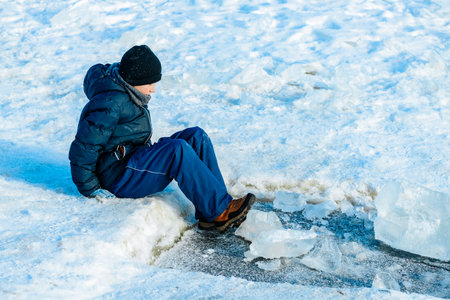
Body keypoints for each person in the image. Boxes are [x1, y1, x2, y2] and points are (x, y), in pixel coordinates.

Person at [69, 45, 255, 233]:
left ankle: (214, 210)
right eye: (149, 83)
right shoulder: (111, 103)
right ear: (134, 79)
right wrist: (90, 187)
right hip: (119, 176)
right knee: (177, 150)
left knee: (196, 136)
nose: (153, 89)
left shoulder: (126, 91)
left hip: (134, 160)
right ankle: (219, 211)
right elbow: (84, 146)